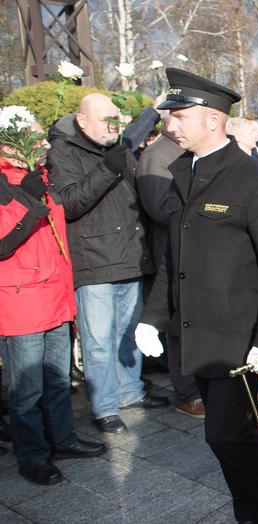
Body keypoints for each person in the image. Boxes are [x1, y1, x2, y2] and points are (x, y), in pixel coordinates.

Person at [135, 68, 258, 524]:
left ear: (213, 119)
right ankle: (252, 510)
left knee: (224, 435)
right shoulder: (183, 173)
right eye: (169, 115)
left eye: (180, 115)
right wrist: (152, 317)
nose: (169, 124)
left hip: (238, 338)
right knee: (233, 435)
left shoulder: (254, 181)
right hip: (197, 332)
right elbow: (175, 258)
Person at [47, 94, 168, 435]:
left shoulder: (112, 143)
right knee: (98, 340)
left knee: (128, 332)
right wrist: (109, 168)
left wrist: (154, 111)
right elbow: (70, 203)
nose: (113, 125)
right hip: (96, 260)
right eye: (106, 120)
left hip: (130, 255)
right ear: (82, 121)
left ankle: (129, 391)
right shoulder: (64, 151)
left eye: (116, 118)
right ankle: (104, 406)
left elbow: (133, 132)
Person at [0, 108, 105, 485]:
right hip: (21, 302)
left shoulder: (42, 177)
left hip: (55, 297)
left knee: (59, 381)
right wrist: (26, 203)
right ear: (10, 144)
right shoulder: (4, 181)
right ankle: (32, 455)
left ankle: (62, 439)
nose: (43, 144)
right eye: (34, 138)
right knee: (26, 391)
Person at [136, 110, 204, 419]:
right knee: (179, 326)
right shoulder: (156, 156)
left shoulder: (188, 150)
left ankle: (200, 383)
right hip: (171, 251)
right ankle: (186, 393)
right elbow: (159, 208)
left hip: (196, 249)